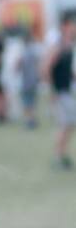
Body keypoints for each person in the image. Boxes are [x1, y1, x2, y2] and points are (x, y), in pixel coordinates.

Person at [45, 15, 76, 169]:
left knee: (69, 125)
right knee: (65, 125)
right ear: (65, 27)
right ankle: (58, 157)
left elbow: (67, 72)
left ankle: (62, 155)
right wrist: (52, 90)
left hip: (65, 91)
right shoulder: (58, 46)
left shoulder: (68, 46)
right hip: (60, 92)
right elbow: (46, 68)